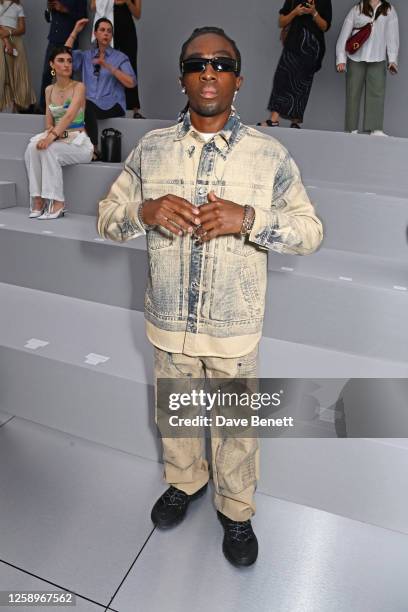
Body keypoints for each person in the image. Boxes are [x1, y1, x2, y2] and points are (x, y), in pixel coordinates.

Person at [97, 26, 323, 567]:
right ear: (182, 78)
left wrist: (249, 219)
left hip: (234, 327)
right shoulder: (150, 150)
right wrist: (143, 213)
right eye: (197, 63)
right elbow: (108, 219)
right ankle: (186, 483)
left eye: (221, 63)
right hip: (168, 323)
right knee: (176, 416)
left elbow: (310, 231)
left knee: (237, 428)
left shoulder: (270, 155)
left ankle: (237, 511)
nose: (208, 71)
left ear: (238, 80)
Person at [24, 46, 93, 219]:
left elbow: (70, 116)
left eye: (69, 61)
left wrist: (51, 138)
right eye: (61, 61)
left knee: (50, 150)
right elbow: (49, 121)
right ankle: (38, 199)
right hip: (60, 139)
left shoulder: (79, 87)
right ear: (52, 65)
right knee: (32, 148)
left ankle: (58, 202)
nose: (66, 64)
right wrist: (51, 135)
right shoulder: (49, 90)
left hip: (79, 143)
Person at [65, 17, 136, 160]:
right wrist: (75, 32)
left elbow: (131, 82)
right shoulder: (86, 56)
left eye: (109, 31)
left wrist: (109, 66)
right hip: (90, 104)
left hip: (113, 104)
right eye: (102, 30)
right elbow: (63, 57)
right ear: (95, 34)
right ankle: (69, 145)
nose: (106, 34)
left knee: (85, 104)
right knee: (71, 104)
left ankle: (94, 149)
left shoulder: (120, 57)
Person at [259, 0, 332, 128]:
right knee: (282, 78)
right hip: (293, 42)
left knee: (302, 83)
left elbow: (325, 26)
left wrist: (314, 12)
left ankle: (295, 122)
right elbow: (281, 21)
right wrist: (295, 12)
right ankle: (273, 120)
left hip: (312, 46)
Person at [336, 0, 399, 136]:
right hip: (356, 58)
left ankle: (376, 129)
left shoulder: (389, 10)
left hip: (378, 58)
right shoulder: (357, 9)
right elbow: (345, 33)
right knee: (353, 93)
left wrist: (392, 59)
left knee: (377, 93)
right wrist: (341, 58)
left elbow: (392, 36)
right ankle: (351, 129)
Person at [90, 0, 144, 118]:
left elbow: (138, 14)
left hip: (126, 27)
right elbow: (93, 6)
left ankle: (135, 110)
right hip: (107, 27)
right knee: (103, 63)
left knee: (130, 65)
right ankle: (102, 105)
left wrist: (128, 2)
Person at [39, 0, 88, 113]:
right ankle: (43, 108)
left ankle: (69, 109)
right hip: (53, 40)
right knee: (48, 73)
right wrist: (49, 8)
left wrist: (64, 9)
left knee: (68, 75)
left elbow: (83, 18)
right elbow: (48, 18)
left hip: (68, 41)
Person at [0, 0, 36, 112]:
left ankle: (16, 107)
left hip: (16, 41)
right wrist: (6, 40)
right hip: (1, 39)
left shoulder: (18, 6)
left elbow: (22, 29)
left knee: (18, 72)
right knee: (2, 72)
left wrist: (9, 33)